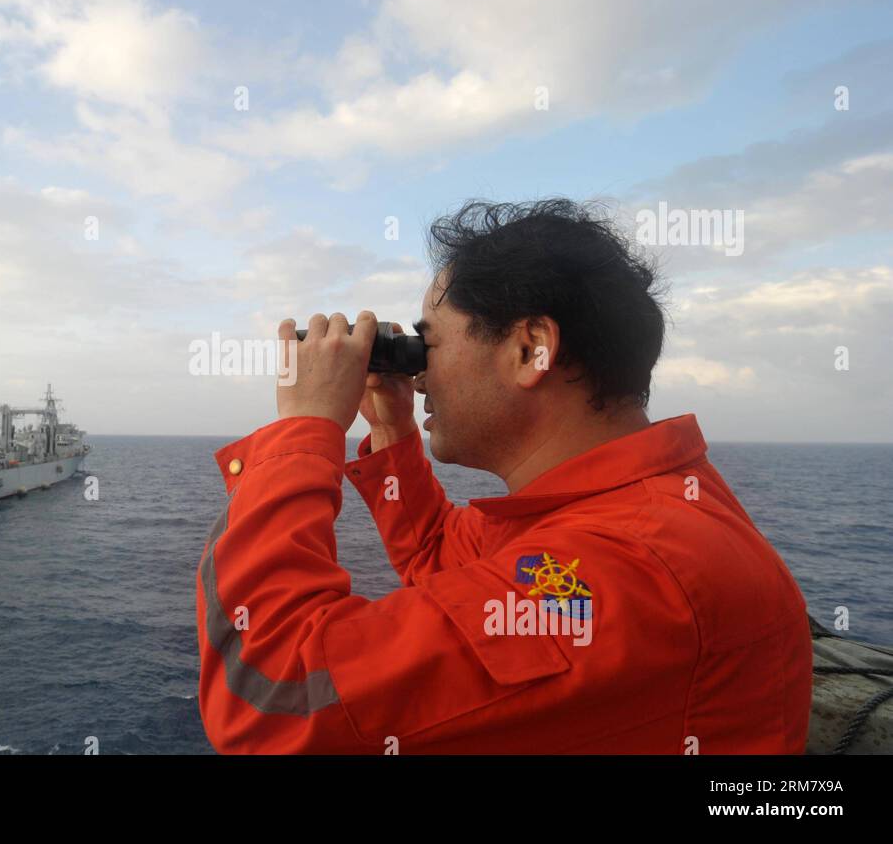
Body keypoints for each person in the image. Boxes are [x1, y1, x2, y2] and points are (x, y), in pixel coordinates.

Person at [195, 199, 812, 754]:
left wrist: (304, 429)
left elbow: (273, 696)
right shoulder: (618, 513)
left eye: (428, 346)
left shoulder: (625, 567)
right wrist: (391, 433)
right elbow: (442, 559)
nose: (419, 374)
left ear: (530, 350)